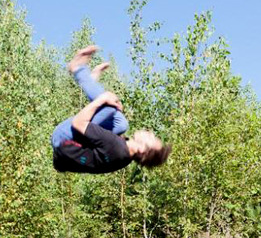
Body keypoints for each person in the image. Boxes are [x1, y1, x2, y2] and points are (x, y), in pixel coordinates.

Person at [51, 45, 171, 173]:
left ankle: (77, 68)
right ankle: (90, 83)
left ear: (143, 150)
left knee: (109, 106)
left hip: (62, 139)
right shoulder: (125, 156)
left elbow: (78, 123)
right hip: (67, 150)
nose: (151, 133)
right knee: (121, 124)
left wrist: (102, 99)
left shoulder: (114, 145)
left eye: (152, 138)